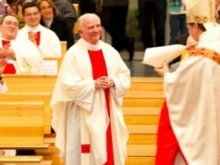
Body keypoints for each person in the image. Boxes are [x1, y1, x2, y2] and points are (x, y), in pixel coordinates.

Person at [50, 13, 130, 165]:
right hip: (81, 112)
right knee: (83, 154)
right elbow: (67, 85)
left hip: (108, 109)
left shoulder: (110, 51)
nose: (96, 30)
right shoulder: (73, 54)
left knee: (110, 149)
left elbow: (125, 76)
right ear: (80, 32)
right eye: (90, 27)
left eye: (98, 26)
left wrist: (113, 81)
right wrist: (92, 85)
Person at [154, 0, 220, 164]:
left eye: (189, 27)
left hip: (204, 123)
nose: (189, 31)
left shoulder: (200, 54)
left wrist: (166, 73)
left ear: (196, 26)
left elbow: (179, 87)